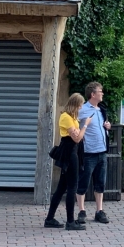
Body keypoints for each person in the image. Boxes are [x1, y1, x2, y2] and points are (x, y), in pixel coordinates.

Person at [45, 93, 92, 230]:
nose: (81, 107)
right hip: (70, 152)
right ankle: (70, 221)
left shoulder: (72, 118)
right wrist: (85, 126)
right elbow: (77, 138)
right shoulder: (66, 117)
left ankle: (50, 218)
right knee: (72, 187)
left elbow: (78, 136)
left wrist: (80, 131)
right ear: (76, 105)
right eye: (81, 105)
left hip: (73, 151)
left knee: (61, 188)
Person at [76, 82, 112, 224]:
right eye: (100, 91)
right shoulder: (82, 110)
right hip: (88, 152)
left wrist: (107, 126)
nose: (102, 93)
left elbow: (104, 126)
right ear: (93, 94)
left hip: (102, 151)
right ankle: (81, 211)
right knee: (83, 182)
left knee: (100, 182)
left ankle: (99, 210)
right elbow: (74, 124)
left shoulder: (101, 110)